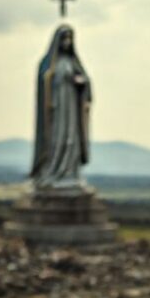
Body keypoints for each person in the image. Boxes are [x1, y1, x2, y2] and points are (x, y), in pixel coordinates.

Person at [30, 24, 92, 189]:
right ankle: (52, 170)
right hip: (56, 110)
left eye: (70, 38)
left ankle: (70, 171)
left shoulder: (74, 63)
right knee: (56, 140)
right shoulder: (48, 64)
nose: (67, 42)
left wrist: (82, 84)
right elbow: (44, 84)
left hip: (71, 110)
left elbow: (86, 84)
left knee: (71, 140)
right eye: (64, 38)